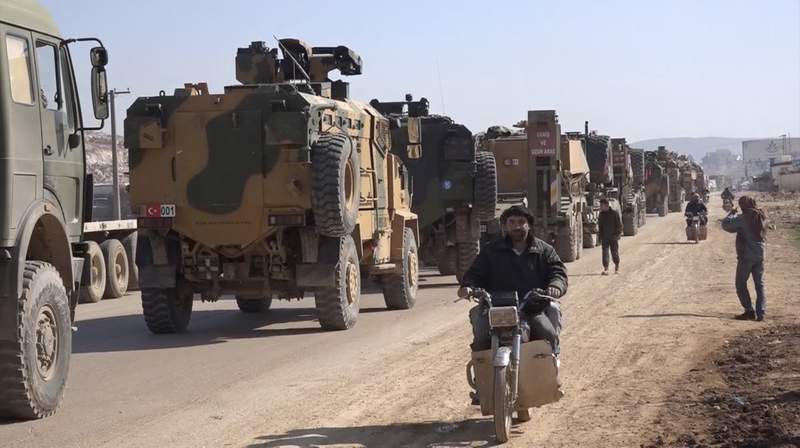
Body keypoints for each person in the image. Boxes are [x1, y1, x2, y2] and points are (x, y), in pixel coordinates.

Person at [460, 205, 568, 356]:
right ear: (505, 226)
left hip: (531, 307)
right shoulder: (491, 250)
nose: (516, 226)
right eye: (511, 222)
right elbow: (475, 273)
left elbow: (558, 272)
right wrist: (468, 286)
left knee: (548, 334)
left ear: (529, 225)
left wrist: (555, 285)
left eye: (521, 221)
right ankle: (482, 369)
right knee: (480, 339)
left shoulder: (544, 250)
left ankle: (551, 363)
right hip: (495, 308)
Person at [722, 196, 768, 321]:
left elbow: (726, 225)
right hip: (760, 254)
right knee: (760, 285)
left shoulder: (743, 218)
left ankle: (749, 311)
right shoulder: (761, 215)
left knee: (740, 284)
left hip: (747, 255)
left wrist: (731, 213)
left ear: (742, 206)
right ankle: (761, 313)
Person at [597, 198, 622, 275]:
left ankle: (617, 266)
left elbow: (619, 225)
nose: (600, 206)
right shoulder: (601, 214)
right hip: (605, 237)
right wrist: (599, 237)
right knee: (605, 253)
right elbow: (600, 226)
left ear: (606, 205)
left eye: (602, 205)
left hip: (613, 237)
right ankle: (606, 268)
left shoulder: (614, 213)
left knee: (614, 252)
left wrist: (617, 234)